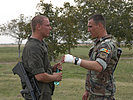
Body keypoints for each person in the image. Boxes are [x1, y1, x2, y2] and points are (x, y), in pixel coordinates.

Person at [63, 14, 121, 100]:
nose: (88, 30)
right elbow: (92, 71)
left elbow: (99, 66)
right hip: (94, 93)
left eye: (90, 27)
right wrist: (87, 90)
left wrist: (75, 60)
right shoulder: (98, 44)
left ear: (100, 26)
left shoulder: (107, 45)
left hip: (104, 95)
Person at [22, 15, 62, 100]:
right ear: (38, 26)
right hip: (38, 94)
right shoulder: (33, 47)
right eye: (47, 25)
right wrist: (55, 77)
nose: (50, 28)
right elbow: (40, 76)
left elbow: (39, 69)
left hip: (43, 93)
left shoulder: (40, 44)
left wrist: (52, 69)